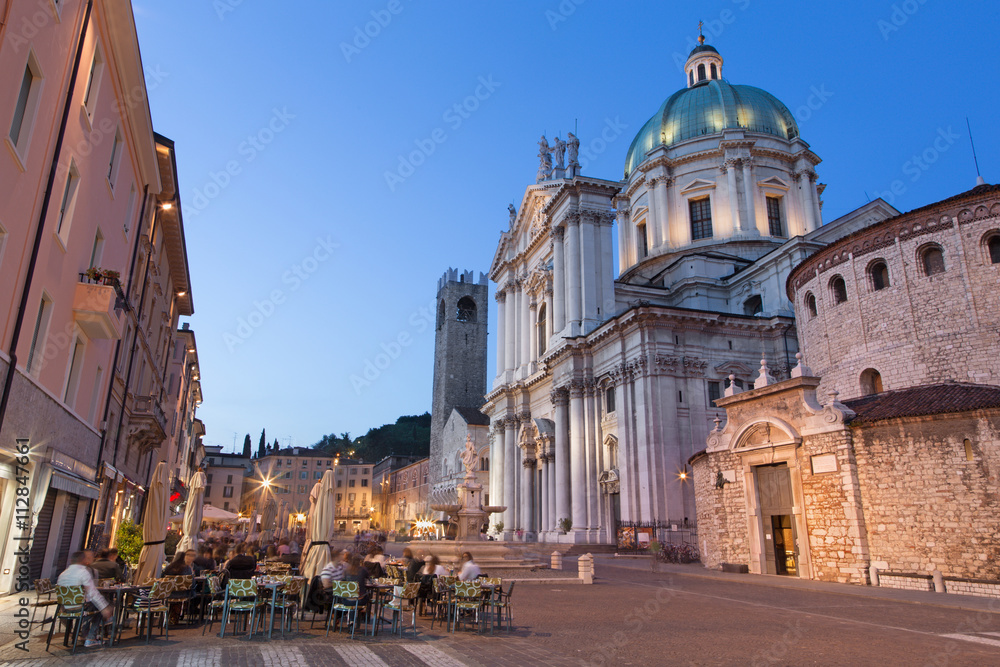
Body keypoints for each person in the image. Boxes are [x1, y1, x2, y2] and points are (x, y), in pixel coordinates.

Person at [56, 550, 112, 648]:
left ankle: (84, 634)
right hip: (79, 608)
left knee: (90, 604)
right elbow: (93, 593)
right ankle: (91, 638)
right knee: (99, 607)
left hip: (64, 608)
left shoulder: (62, 574)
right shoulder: (83, 572)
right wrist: (105, 608)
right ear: (83, 560)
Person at [162, 550, 196, 625]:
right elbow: (191, 583)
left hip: (169, 593)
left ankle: (172, 617)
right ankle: (175, 617)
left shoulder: (168, 568)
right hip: (183, 594)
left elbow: (162, 579)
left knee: (175, 596)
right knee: (184, 594)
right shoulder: (186, 568)